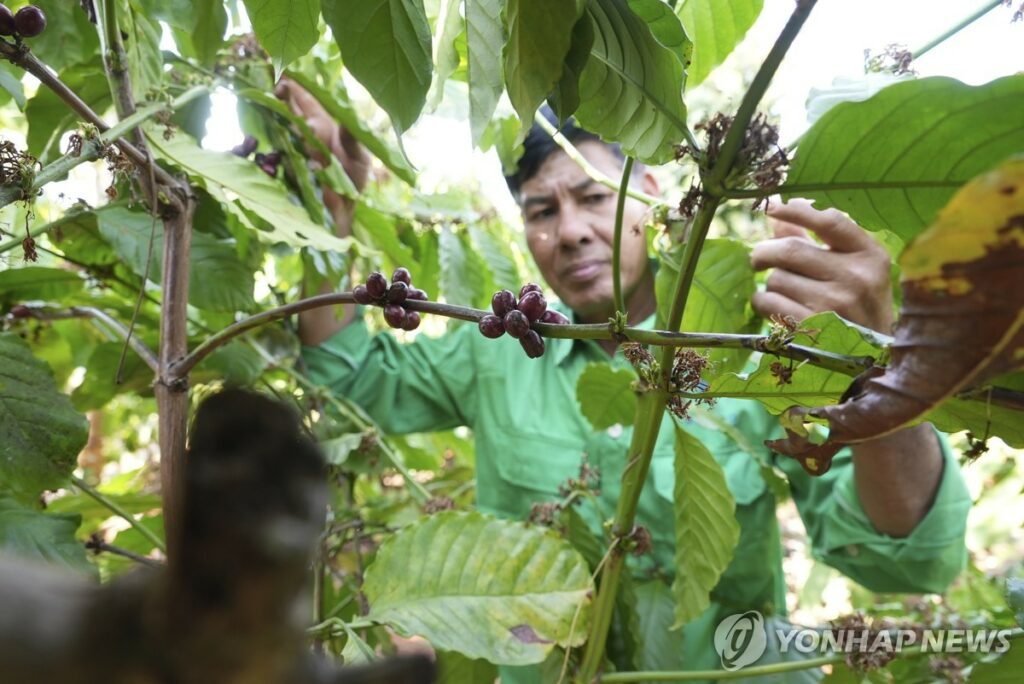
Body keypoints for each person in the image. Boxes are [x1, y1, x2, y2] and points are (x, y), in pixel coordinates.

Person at [278, 81, 971, 679]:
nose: (573, 231)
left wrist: (875, 371)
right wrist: (327, 217)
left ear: (649, 192)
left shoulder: (758, 344)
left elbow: (909, 564)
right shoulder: (496, 354)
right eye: (542, 211)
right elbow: (353, 375)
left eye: (591, 196)